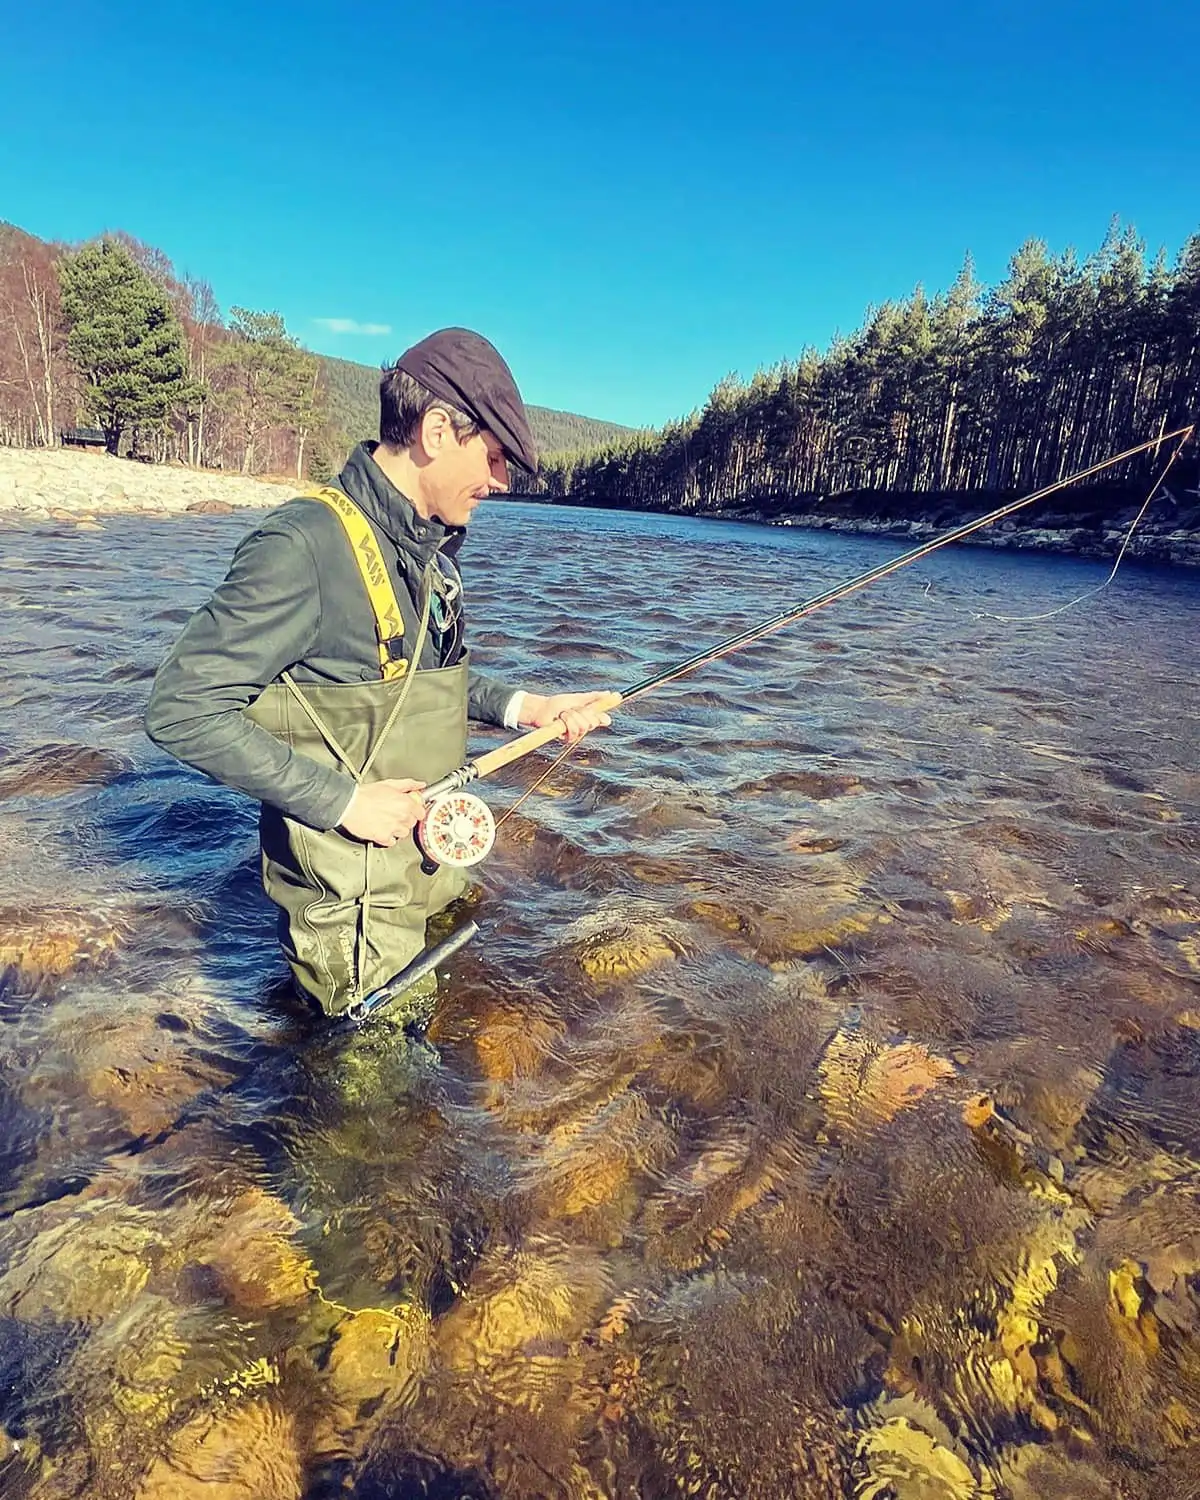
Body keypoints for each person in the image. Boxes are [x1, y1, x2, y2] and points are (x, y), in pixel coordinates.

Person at [146, 328, 613, 1018]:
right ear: (435, 431)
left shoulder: (433, 554)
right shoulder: (303, 546)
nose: (502, 481)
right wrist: (345, 803)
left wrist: (527, 707)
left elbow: (429, 686)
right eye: (494, 455)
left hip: (426, 873)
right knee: (372, 1111)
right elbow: (181, 709)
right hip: (352, 917)